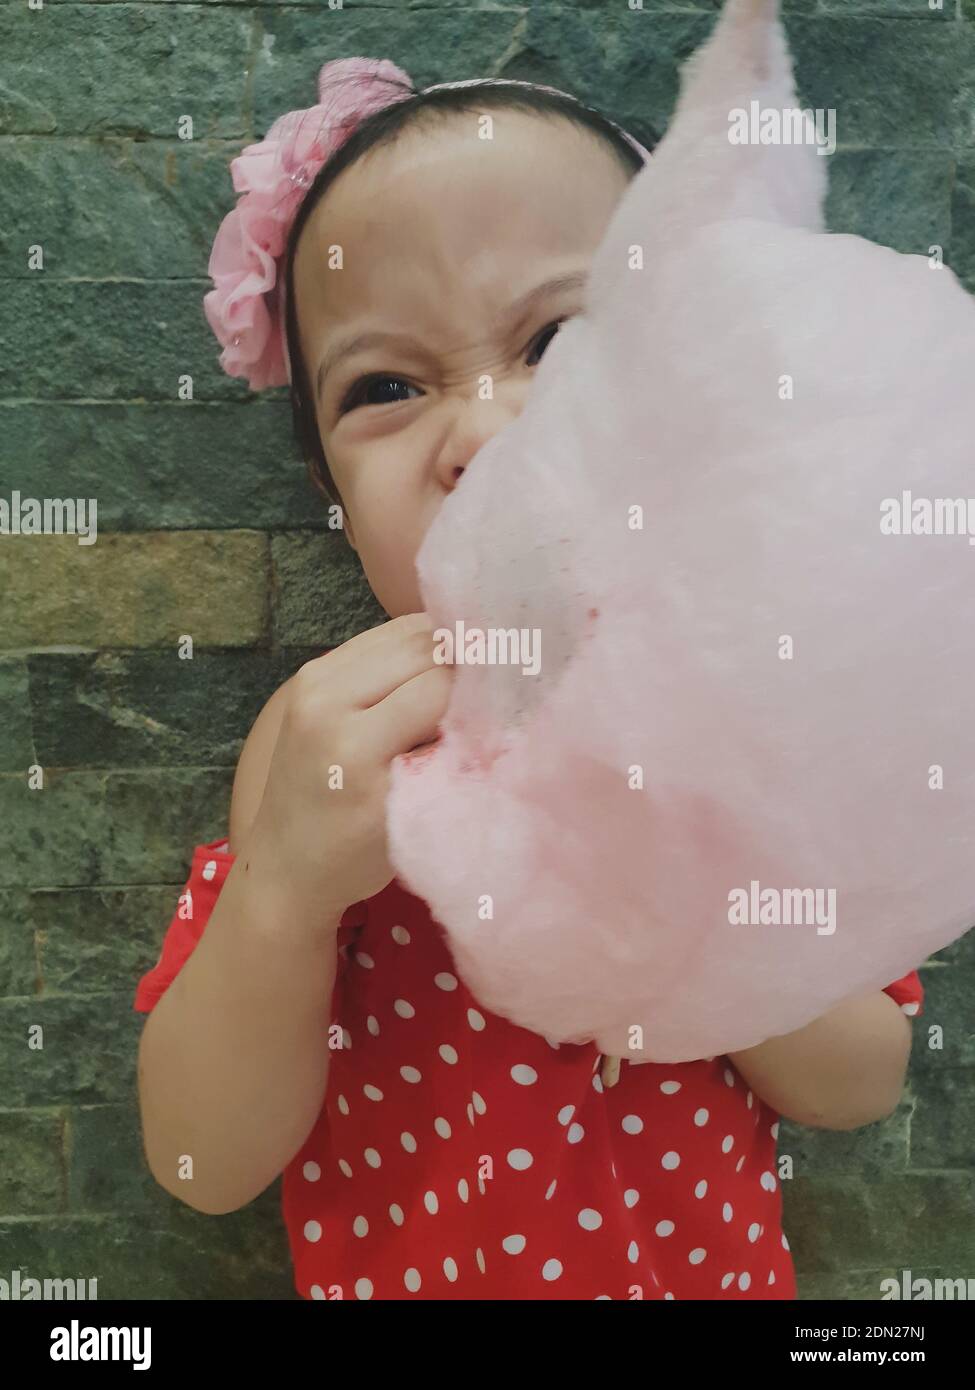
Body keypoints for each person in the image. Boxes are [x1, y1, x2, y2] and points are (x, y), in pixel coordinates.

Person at [134, 57, 924, 1301]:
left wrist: (675, 876)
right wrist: (284, 892)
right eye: (386, 388)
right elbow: (201, 1160)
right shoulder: (333, 743)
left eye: (559, 340)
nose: (489, 431)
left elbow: (859, 1082)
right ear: (335, 500)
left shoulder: (755, 699)